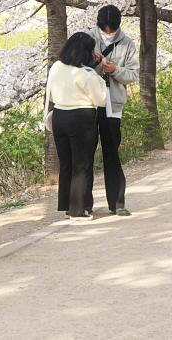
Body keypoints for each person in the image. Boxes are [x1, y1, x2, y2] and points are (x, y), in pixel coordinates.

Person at [45, 32, 107, 221]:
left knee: (67, 164)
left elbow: (52, 94)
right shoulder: (87, 75)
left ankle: (67, 204)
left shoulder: (56, 67)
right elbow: (101, 100)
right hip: (81, 119)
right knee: (82, 165)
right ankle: (79, 209)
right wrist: (99, 77)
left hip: (60, 117)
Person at [87, 5, 139, 217]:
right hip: (89, 103)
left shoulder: (127, 43)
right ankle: (84, 204)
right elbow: (72, 67)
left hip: (113, 104)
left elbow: (133, 74)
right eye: (106, 30)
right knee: (86, 154)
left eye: (112, 30)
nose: (109, 33)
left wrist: (115, 70)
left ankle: (117, 203)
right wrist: (90, 60)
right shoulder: (86, 39)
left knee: (112, 153)